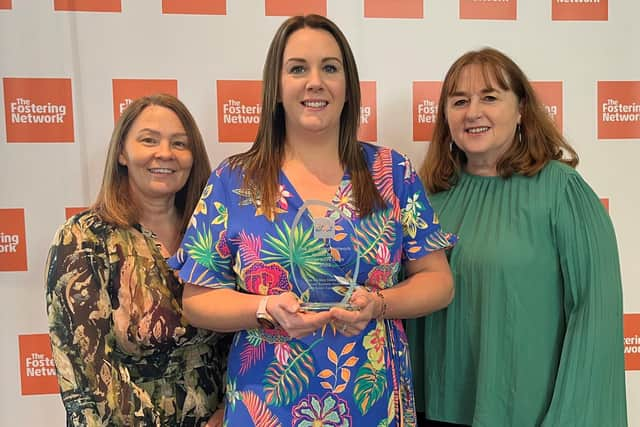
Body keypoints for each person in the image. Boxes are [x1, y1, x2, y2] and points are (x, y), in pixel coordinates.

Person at [168, 14, 456, 426]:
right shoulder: (233, 180)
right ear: (277, 87)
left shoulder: (392, 173)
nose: (315, 81)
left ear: (347, 87)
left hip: (371, 400)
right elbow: (197, 301)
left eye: (330, 68)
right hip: (266, 404)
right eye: (298, 68)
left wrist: (379, 305)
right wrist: (265, 308)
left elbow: (439, 282)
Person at [406, 47, 627, 427]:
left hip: (529, 417)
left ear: (521, 108)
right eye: (459, 101)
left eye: (489, 97)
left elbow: (594, 317)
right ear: (445, 116)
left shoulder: (562, 192)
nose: (473, 111)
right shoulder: (426, 198)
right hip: (433, 414)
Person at [45, 94, 231, 426]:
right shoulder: (84, 239)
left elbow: (236, 342)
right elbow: (88, 379)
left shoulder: (210, 235)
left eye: (179, 143)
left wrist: (229, 410)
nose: (165, 153)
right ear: (122, 153)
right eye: (149, 140)